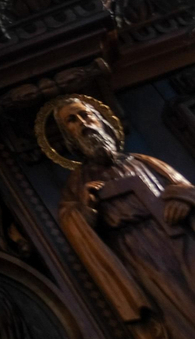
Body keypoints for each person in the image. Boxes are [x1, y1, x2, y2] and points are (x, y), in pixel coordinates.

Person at [45, 95, 195, 338]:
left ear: (102, 120)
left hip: (179, 237)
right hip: (137, 252)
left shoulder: (144, 161)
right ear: (68, 136)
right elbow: (74, 223)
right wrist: (86, 208)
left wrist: (182, 200)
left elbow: (184, 189)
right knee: (179, 312)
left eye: (87, 115)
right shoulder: (77, 183)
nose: (83, 123)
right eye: (72, 121)